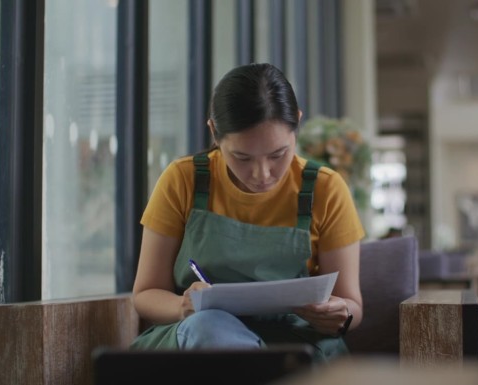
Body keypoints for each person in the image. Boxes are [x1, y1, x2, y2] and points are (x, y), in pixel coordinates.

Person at [130, 63, 365, 363]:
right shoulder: (183, 180)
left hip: (296, 341)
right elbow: (146, 294)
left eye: (278, 155)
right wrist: (182, 307)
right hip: (201, 337)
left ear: (297, 124)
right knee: (209, 327)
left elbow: (352, 307)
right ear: (214, 132)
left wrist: (339, 313)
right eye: (241, 157)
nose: (262, 174)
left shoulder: (326, 189)